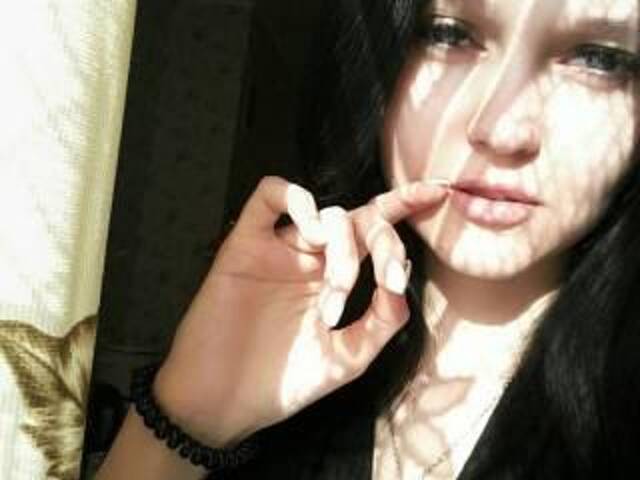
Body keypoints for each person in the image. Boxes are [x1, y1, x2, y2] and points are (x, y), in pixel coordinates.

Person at [96, 0, 640, 478]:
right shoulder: (282, 325)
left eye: (599, 58)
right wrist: (190, 417)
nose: (503, 131)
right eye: (448, 33)